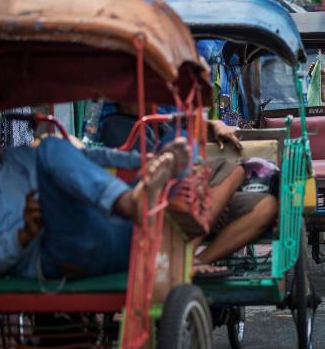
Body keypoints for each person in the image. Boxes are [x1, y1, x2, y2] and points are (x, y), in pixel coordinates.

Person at [0, 112, 189, 279]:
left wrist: (146, 161)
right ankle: (130, 203)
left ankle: (137, 205)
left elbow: (87, 157)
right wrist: (22, 236)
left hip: (114, 229)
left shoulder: (19, 155)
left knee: (182, 140)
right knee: (50, 146)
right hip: (62, 252)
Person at [98, 109, 279, 277]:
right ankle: (184, 256)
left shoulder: (174, 118)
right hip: (163, 198)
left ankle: (196, 262)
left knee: (267, 206)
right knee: (232, 171)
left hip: (194, 193)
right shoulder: (117, 124)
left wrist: (210, 124)